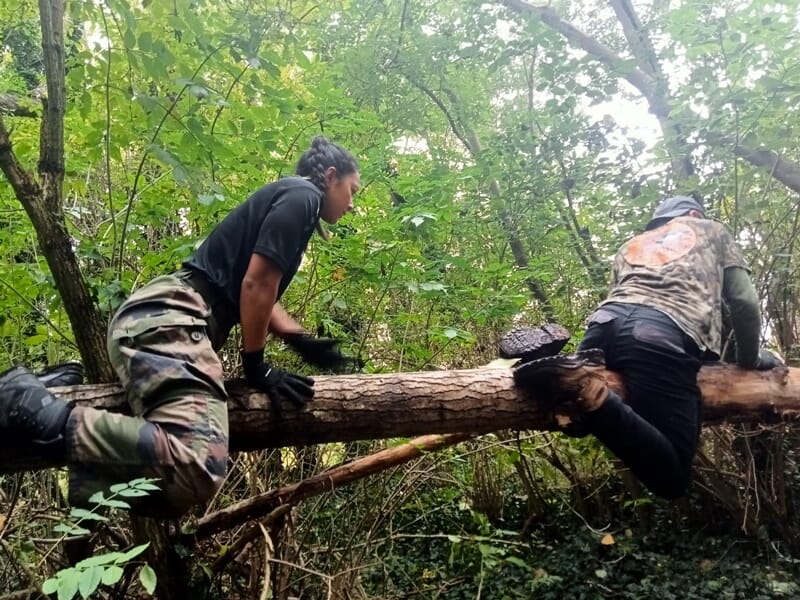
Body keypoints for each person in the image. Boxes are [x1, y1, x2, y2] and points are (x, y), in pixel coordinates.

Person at [0, 136, 361, 517]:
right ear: (330, 176)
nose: (352, 204)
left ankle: (53, 396)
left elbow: (252, 288)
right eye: (352, 191)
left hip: (162, 316)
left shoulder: (292, 200)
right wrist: (257, 366)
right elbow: (257, 285)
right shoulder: (303, 196)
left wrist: (299, 339)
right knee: (197, 464)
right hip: (173, 316)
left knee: (172, 492)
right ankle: (29, 406)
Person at [512, 196, 783, 499]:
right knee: (672, 479)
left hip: (603, 326)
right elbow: (743, 303)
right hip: (659, 334)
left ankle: (562, 370)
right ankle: (592, 392)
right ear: (694, 213)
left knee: (581, 421)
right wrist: (749, 359)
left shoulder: (633, 244)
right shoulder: (711, 229)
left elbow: (626, 300)